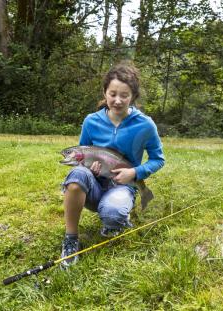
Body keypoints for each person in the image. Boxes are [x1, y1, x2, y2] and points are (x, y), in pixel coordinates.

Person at [60, 61, 165, 268]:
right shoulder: (91, 121)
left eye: (124, 95)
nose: (117, 100)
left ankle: (115, 217)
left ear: (133, 97)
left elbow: (158, 159)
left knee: (112, 215)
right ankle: (71, 238)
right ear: (105, 92)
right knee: (77, 176)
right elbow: (84, 153)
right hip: (95, 183)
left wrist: (134, 172)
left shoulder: (145, 124)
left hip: (123, 185)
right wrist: (88, 168)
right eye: (112, 94)